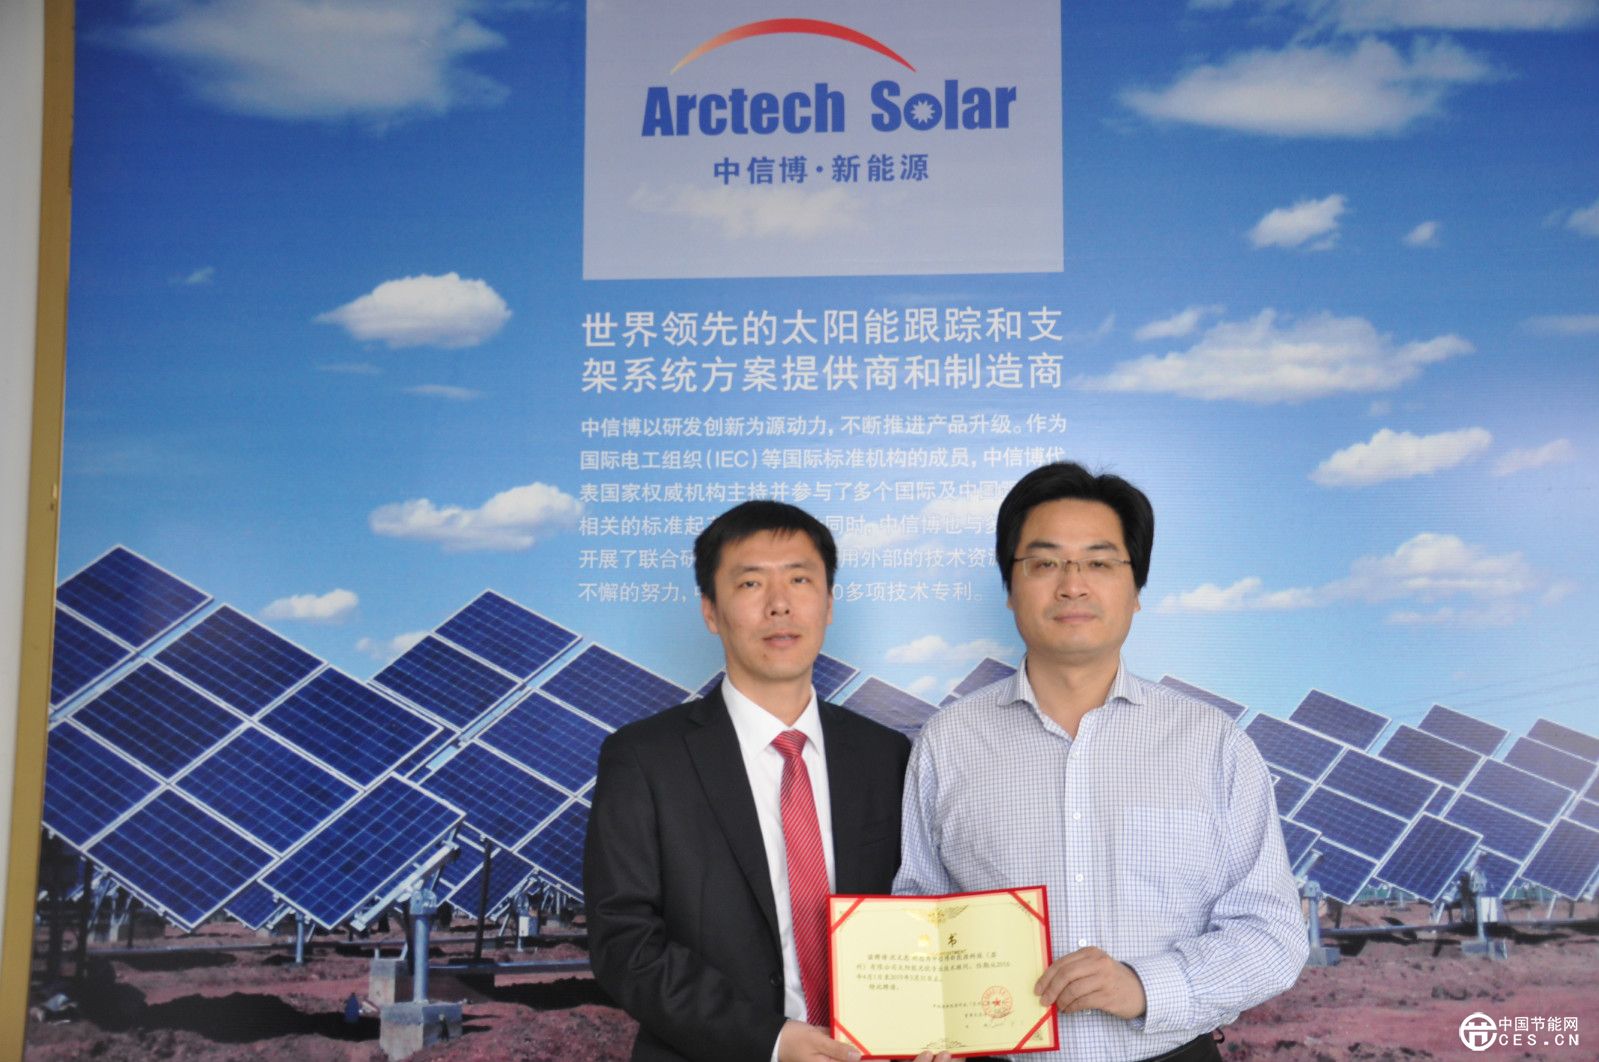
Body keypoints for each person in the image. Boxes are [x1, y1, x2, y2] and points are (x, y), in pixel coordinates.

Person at [897, 462, 1307, 1062]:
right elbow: (919, 917)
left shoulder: (1212, 744)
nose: (1072, 585)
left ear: (1136, 592)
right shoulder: (947, 742)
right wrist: (923, 1019)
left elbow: (1272, 934)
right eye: (1045, 564)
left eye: (1099, 563)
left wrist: (1145, 986)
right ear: (1009, 589)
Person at [585, 500, 912, 1062]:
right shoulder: (644, 759)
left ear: (829, 603)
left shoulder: (886, 755)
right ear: (711, 611)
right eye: (751, 583)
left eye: (800, 580)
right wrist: (773, 1040)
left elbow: (918, 910)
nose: (779, 604)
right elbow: (625, 943)